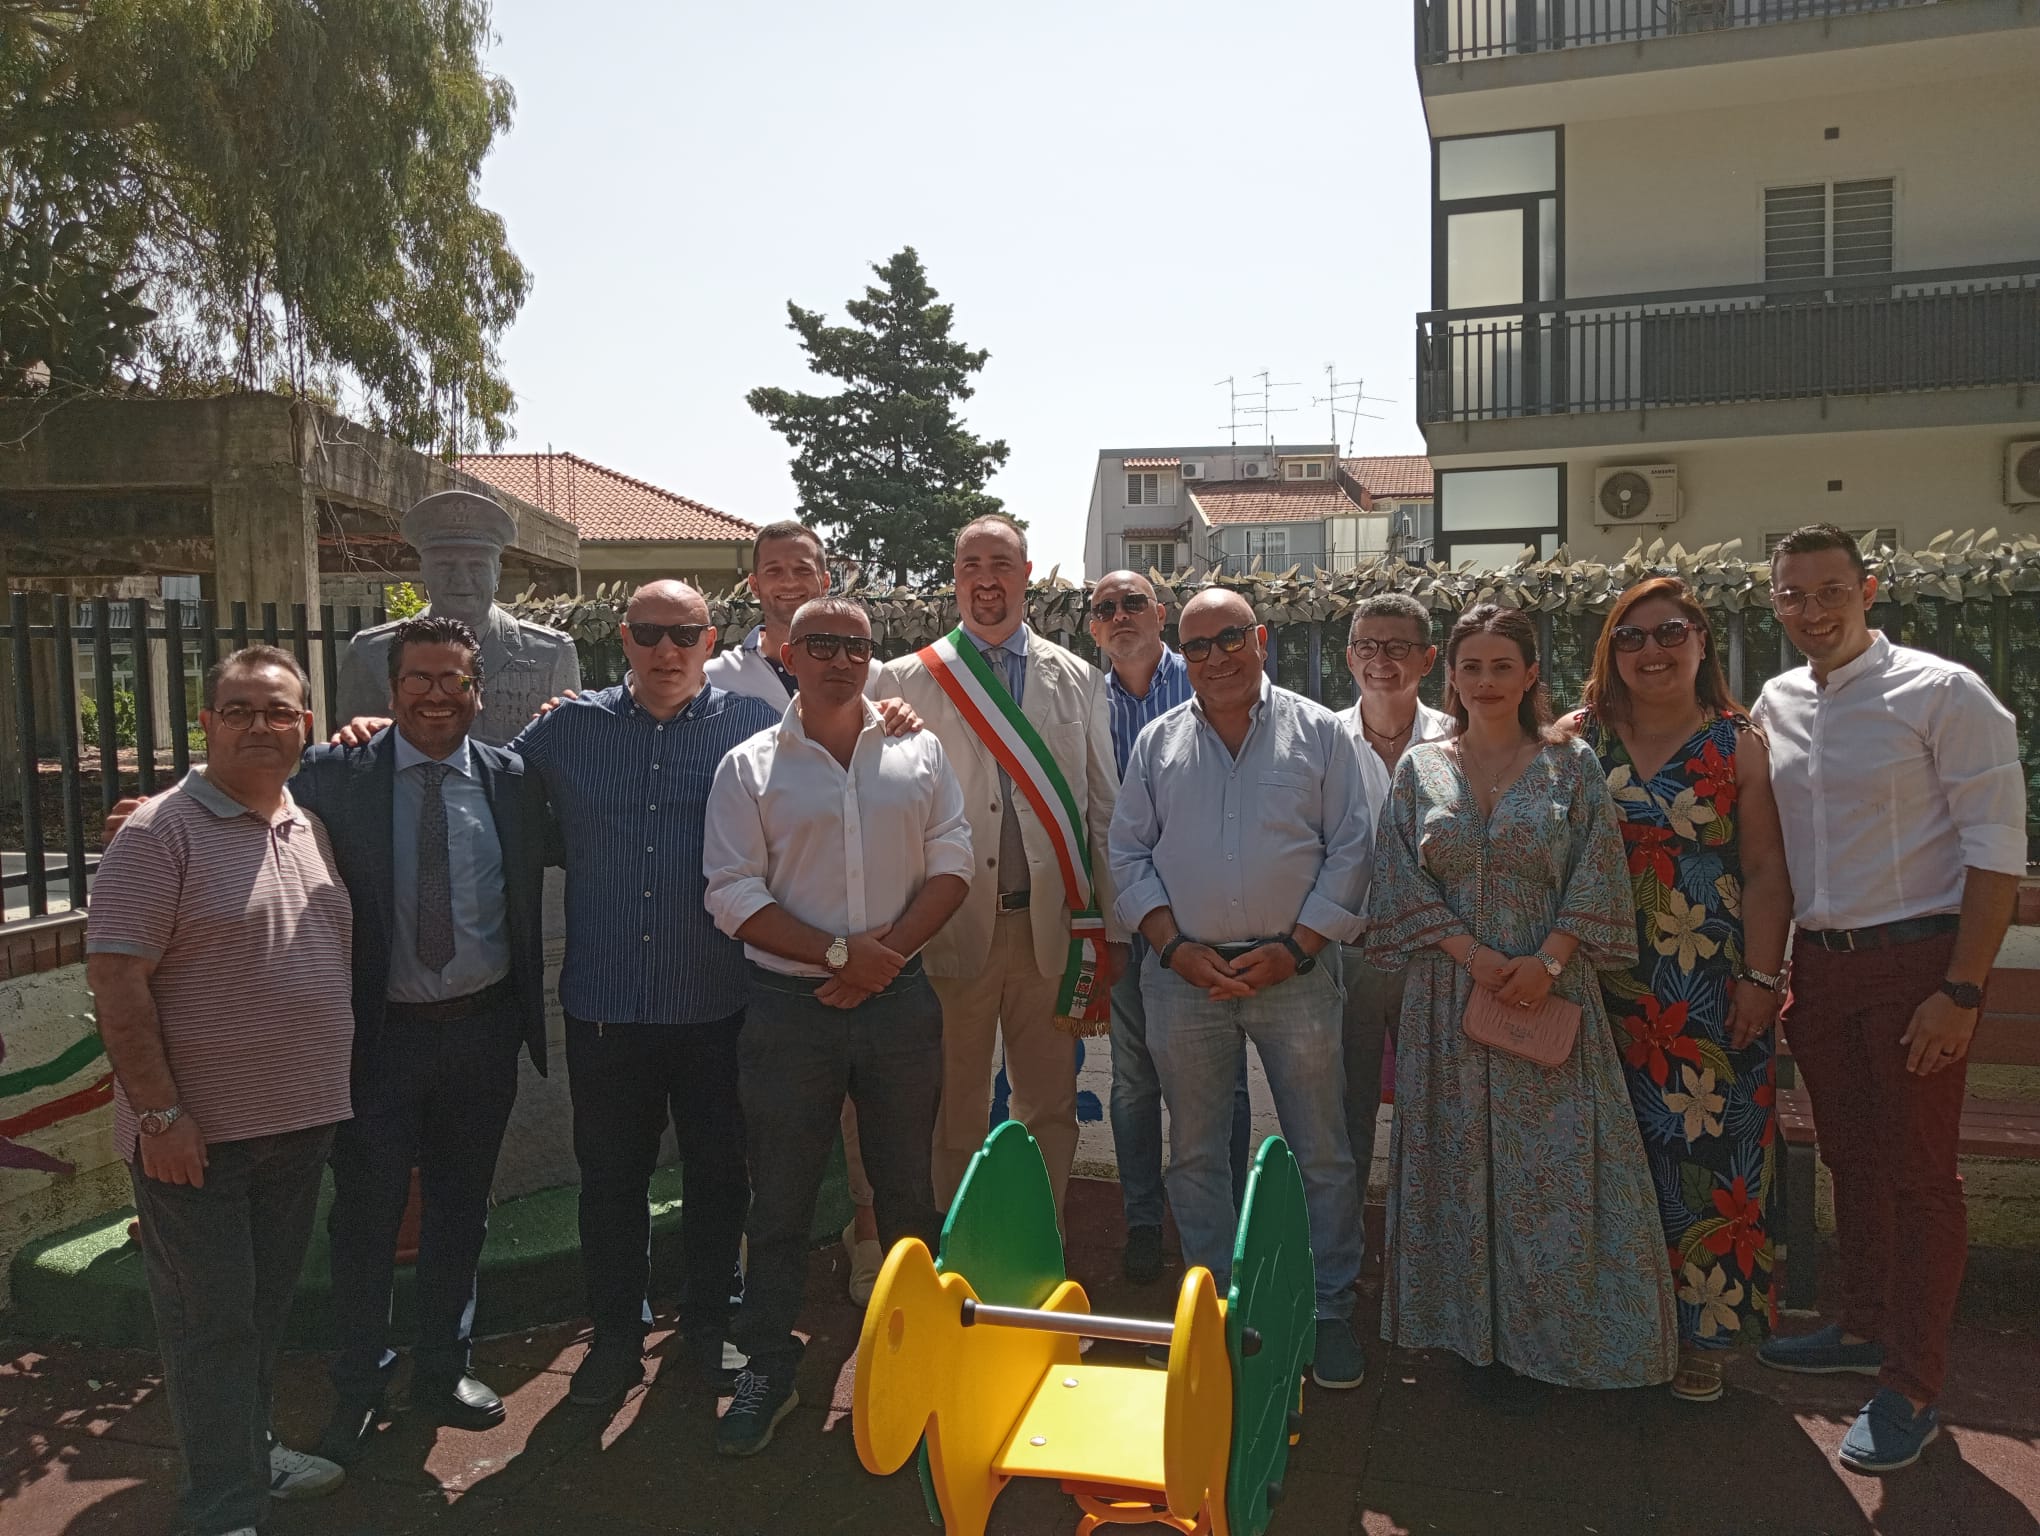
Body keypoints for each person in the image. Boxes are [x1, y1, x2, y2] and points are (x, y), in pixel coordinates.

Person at [1753, 524, 2026, 1474]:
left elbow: (1996, 855)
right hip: (1821, 972)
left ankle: (1913, 1384)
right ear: (1775, 602)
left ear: (1868, 590)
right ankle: (1863, 1326)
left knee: (1920, 1178)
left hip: (1919, 968)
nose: (1812, 610)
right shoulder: (1777, 701)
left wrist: (1962, 990)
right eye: (1792, 595)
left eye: (1830, 590)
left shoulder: (1945, 692)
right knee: (1850, 1161)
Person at [1364, 603, 1675, 1397]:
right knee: (1455, 1165)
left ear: (1531, 673)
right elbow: (1395, 876)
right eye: (1472, 667)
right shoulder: (1419, 769)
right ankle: (1471, 1341)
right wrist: (1471, 954)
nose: (1487, 681)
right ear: (1452, 676)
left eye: (1503, 666)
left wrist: (1547, 958)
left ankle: (1558, 1342)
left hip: (1548, 993)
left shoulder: (1570, 766)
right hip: (1448, 998)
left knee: (1556, 1172)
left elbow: (1600, 871)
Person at [85, 647, 356, 1536]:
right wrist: (161, 1115)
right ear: (205, 724)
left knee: (262, 1313)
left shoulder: (302, 823)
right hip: (196, 1138)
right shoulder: (158, 833)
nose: (260, 726)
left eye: (278, 712)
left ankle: (253, 1452)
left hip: (298, 1120)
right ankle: (223, 1508)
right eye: (238, 710)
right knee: (210, 1328)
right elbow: (118, 982)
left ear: (304, 727)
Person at [703, 597, 972, 1456]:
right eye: (819, 644)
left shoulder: (918, 749)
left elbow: (954, 861)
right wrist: (836, 957)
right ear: (785, 651)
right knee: (780, 1199)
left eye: (854, 646)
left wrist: (875, 959)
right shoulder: (747, 766)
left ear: (870, 657)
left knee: (908, 1195)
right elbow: (732, 893)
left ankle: (924, 1359)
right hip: (791, 1012)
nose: (837, 659)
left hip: (896, 1000)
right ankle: (770, 1366)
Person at [508, 581, 781, 1407]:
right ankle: (616, 1336)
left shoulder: (757, 729)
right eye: (651, 633)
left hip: (716, 999)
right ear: (623, 639)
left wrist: (897, 722)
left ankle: (707, 1322)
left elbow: (833, 783)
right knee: (612, 1180)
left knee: (718, 1173)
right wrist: (369, 731)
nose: (668, 650)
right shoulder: (566, 729)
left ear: (712, 638)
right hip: (607, 1004)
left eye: (685, 634)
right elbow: (476, 781)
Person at [287, 617, 552, 1462]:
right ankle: (360, 1382)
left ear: (476, 689)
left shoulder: (512, 780)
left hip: (480, 1036)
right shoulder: (334, 774)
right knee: (363, 1220)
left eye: (455, 681)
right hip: (378, 1042)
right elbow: (245, 796)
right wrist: (154, 805)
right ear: (392, 689)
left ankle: (445, 1368)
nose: (438, 695)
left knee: (459, 1211)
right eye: (420, 680)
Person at [1109, 589, 1374, 1390]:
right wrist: (1172, 947)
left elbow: (1353, 851)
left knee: (1321, 1149)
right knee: (1193, 1153)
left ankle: (1329, 1310)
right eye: (1198, 647)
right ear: (1181, 657)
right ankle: (1220, 1307)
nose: (1216, 657)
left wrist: (1296, 948)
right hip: (1185, 980)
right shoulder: (1157, 743)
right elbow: (1127, 857)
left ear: (1260, 639)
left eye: (1231, 638)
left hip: (1292, 974)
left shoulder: (1320, 733)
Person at [1570, 578, 1791, 1404]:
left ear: (1701, 642)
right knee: (1604, 1155)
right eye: (1631, 638)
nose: (1652, 651)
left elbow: (1767, 872)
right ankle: (1613, 1320)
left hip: (1709, 989)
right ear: (1609, 652)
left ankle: (1705, 1338)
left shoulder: (1738, 745)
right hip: (1597, 987)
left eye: (1670, 633)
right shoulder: (1577, 739)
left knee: (1711, 1161)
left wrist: (1762, 979)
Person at [876, 515, 1124, 1216]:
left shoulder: (1078, 677)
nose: (987, 579)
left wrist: (1111, 927)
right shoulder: (902, 682)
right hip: (950, 931)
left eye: (1002, 564)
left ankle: (1039, 1251)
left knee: (1049, 1107)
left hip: (1049, 932)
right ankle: (958, 1255)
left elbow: (1101, 810)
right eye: (972, 565)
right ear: (956, 578)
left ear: (1026, 573)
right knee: (952, 1110)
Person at [703, 520, 905, 1307]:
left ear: (828, 578)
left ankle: (867, 1239)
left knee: (867, 1115)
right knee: (772, 1120)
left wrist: (862, 952)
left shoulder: (877, 674)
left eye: (804, 568)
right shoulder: (717, 675)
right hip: (758, 937)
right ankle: (768, 1279)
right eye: (774, 569)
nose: (789, 580)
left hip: (864, 935)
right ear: (754, 583)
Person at [1087, 570, 1252, 1286]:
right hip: (1128, 919)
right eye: (1104, 608)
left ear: (1161, 614)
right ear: (1092, 626)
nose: (1119, 616)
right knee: (1132, 1085)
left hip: (1212, 917)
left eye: (1133, 604)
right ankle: (1145, 1220)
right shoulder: (1079, 697)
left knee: (1227, 1086)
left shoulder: (1208, 675)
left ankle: (1232, 1222)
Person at [1336, 594, 1455, 1214]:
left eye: (1398, 647)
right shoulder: (1320, 741)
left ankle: (1429, 1260)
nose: (1381, 660)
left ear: (1429, 658)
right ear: (1350, 657)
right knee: (1344, 1118)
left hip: (1435, 962)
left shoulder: (1459, 742)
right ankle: (1342, 1261)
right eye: (1367, 647)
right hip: (1347, 956)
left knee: (1434, 1116)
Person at [338, 490, 581, 745]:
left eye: (476, 566)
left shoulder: (551, 654)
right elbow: (356, 761)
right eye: (444, 565)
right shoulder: (371, 653)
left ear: (497, 573)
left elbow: (572, 752)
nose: (462, 579)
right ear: (423, 571)